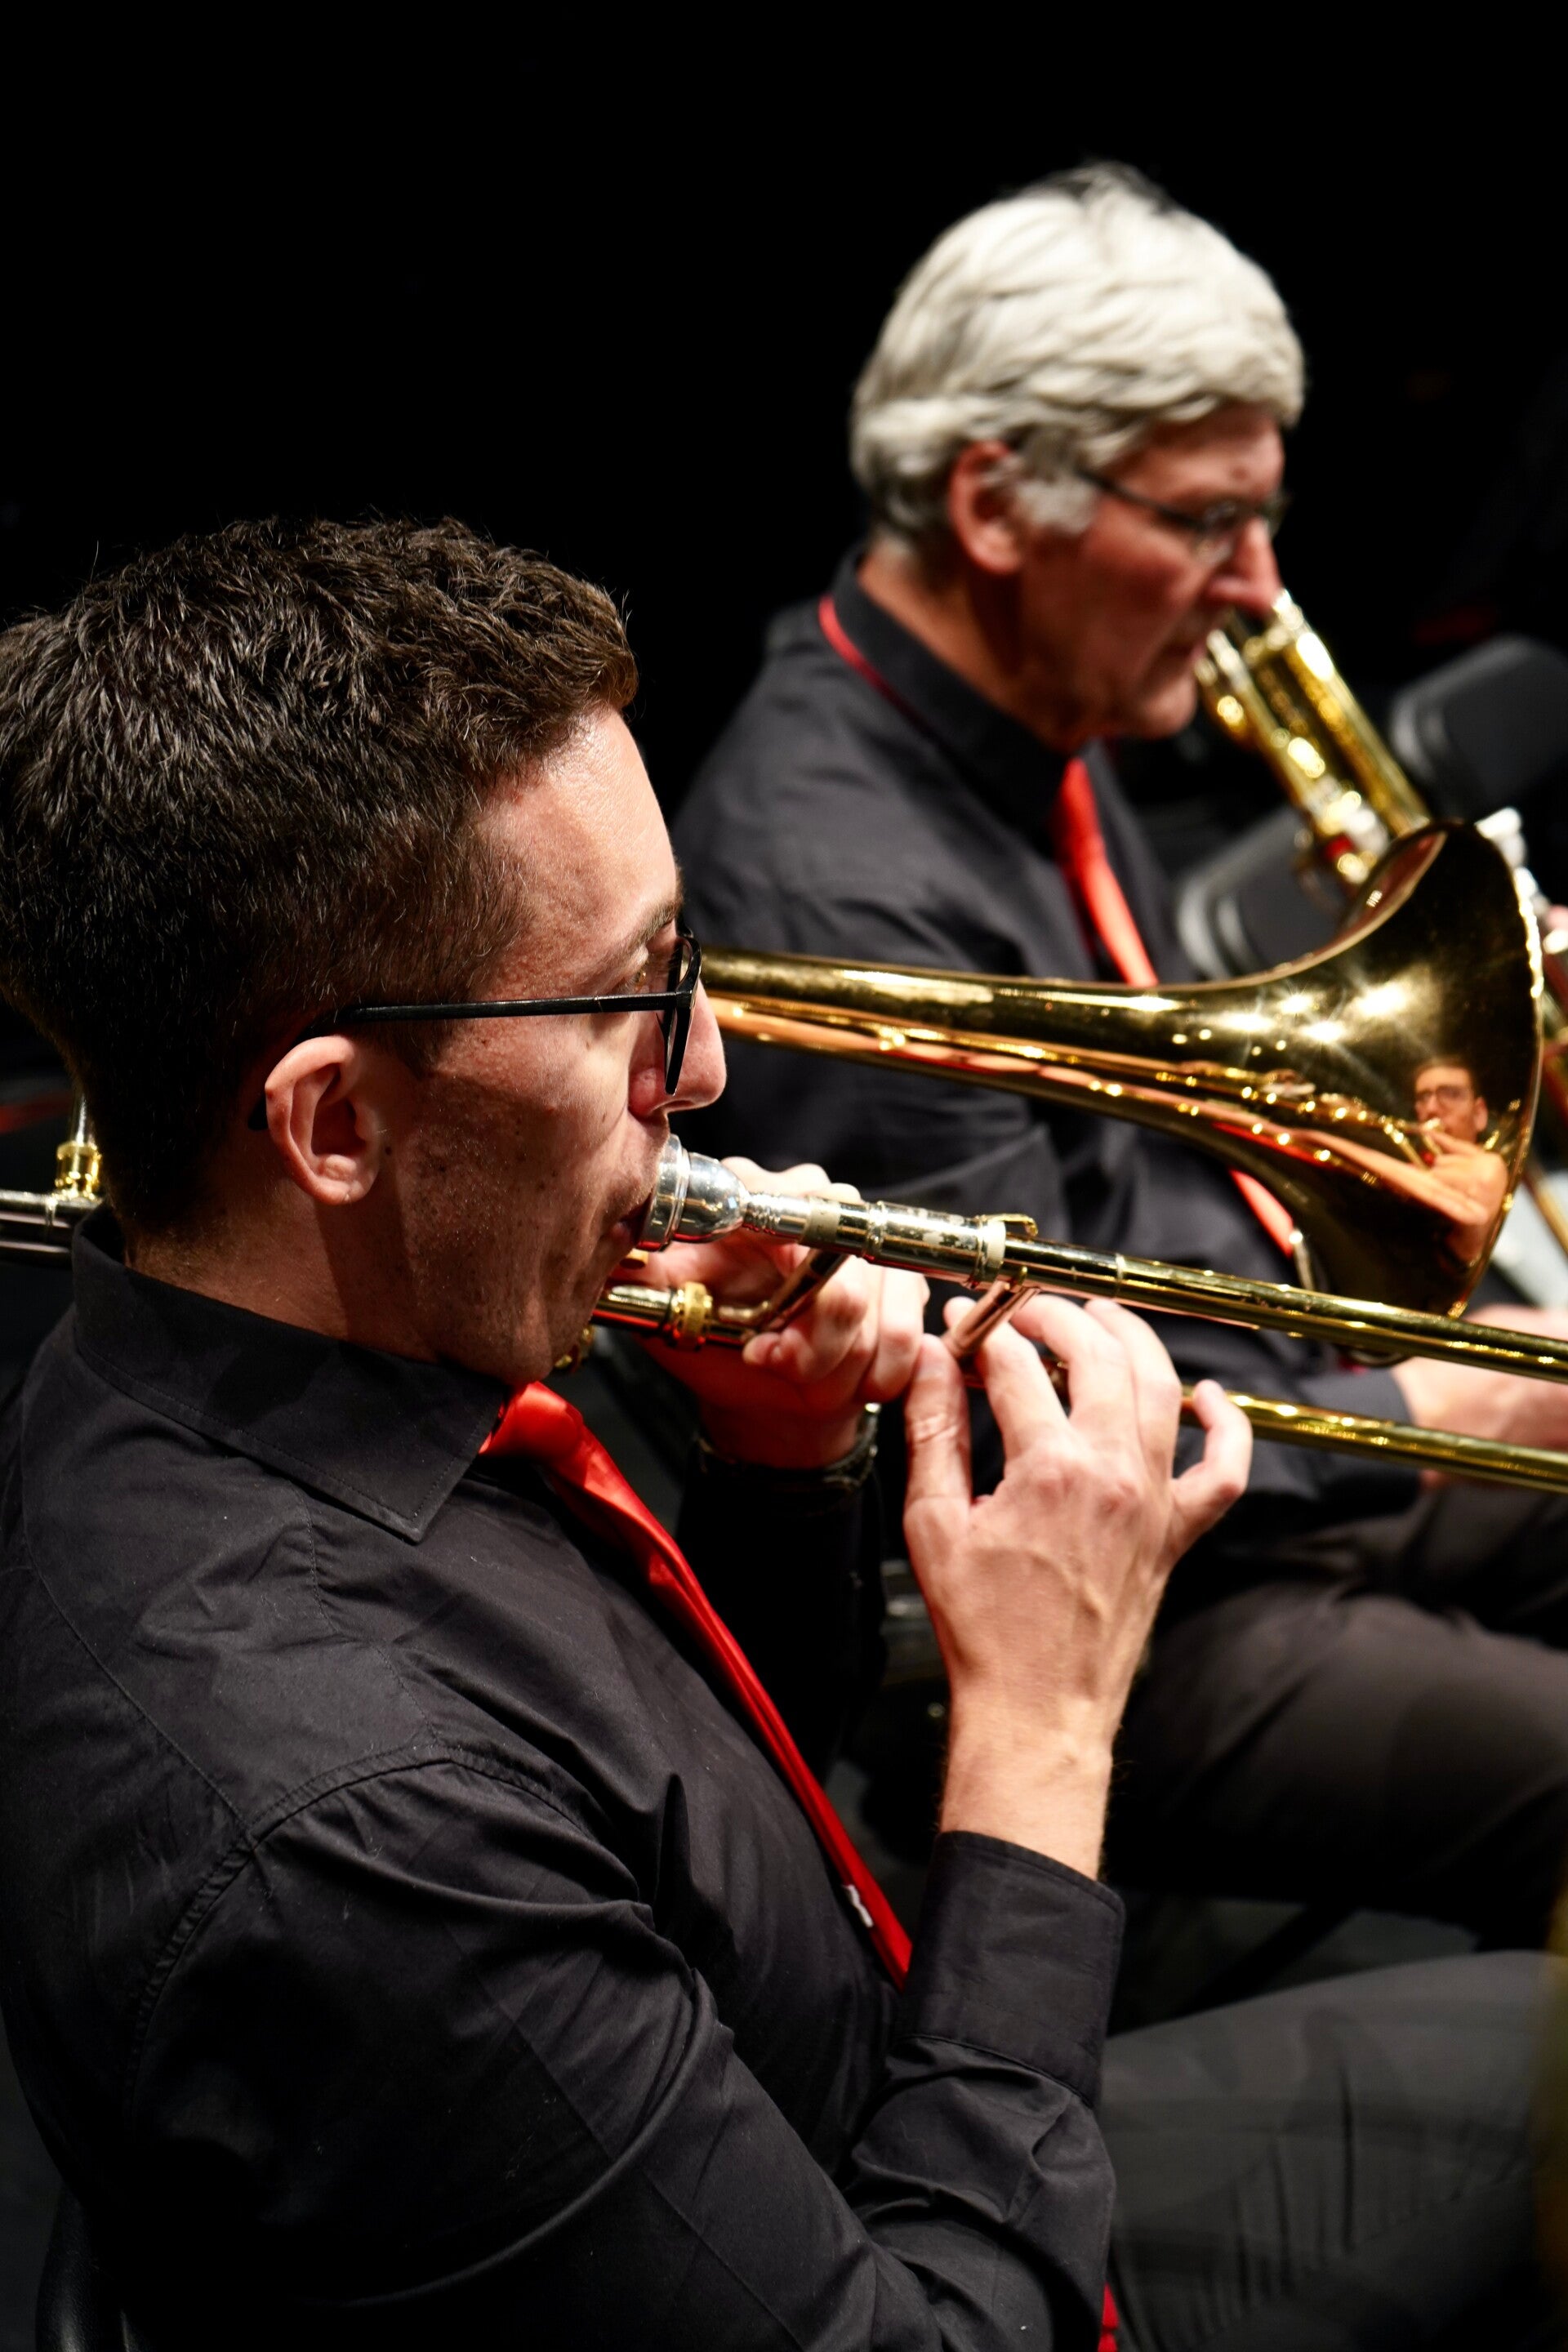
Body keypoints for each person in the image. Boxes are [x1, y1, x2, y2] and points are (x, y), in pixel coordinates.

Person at [0, 518, 1550, 2349]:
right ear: (334, 1127)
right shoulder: (353, 1837)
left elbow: (700, 1831)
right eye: (635, 995)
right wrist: (1043, 1722)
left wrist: (780, 1459)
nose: (713, 1065)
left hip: (856, 2091)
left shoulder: (266, 1335)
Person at [675, 163, 1568, 1952]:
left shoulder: (1042, 710)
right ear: (996, 505)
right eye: (1210, 523)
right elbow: (1029, 1415)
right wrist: (1451, 1407)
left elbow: (1175, 1178)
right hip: (1107, 1611)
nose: (1260, 588)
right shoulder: (843, 885)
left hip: (1258, 1440)